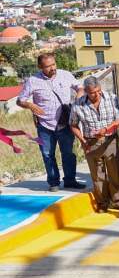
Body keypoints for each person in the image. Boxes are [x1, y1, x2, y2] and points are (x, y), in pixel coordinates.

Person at [18, 52, 85, 192]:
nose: (52, 68)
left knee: (68, 153)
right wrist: (30, 105)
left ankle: (70, 180)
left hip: (65, 123)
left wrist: (77, 99)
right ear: (40, 67)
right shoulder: (32, 80)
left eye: (53, 64)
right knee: (48, 154)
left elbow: (80, 87)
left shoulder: (66, 75)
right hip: (44, 125)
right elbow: (20, 100)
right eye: (48, 66)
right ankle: (53, 182)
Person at [69, 76, 119, 212]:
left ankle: (118, 201)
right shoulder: (78, 105)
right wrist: (82, 140)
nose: (97, 94)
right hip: (90, 143)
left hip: (110, 139)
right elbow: (73, 124)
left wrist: (106, 129)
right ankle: (103, 203)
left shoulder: (112, 98)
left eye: (98, 90)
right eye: (92, 92)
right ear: (86, 91)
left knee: (115, 172)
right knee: (98, 175)